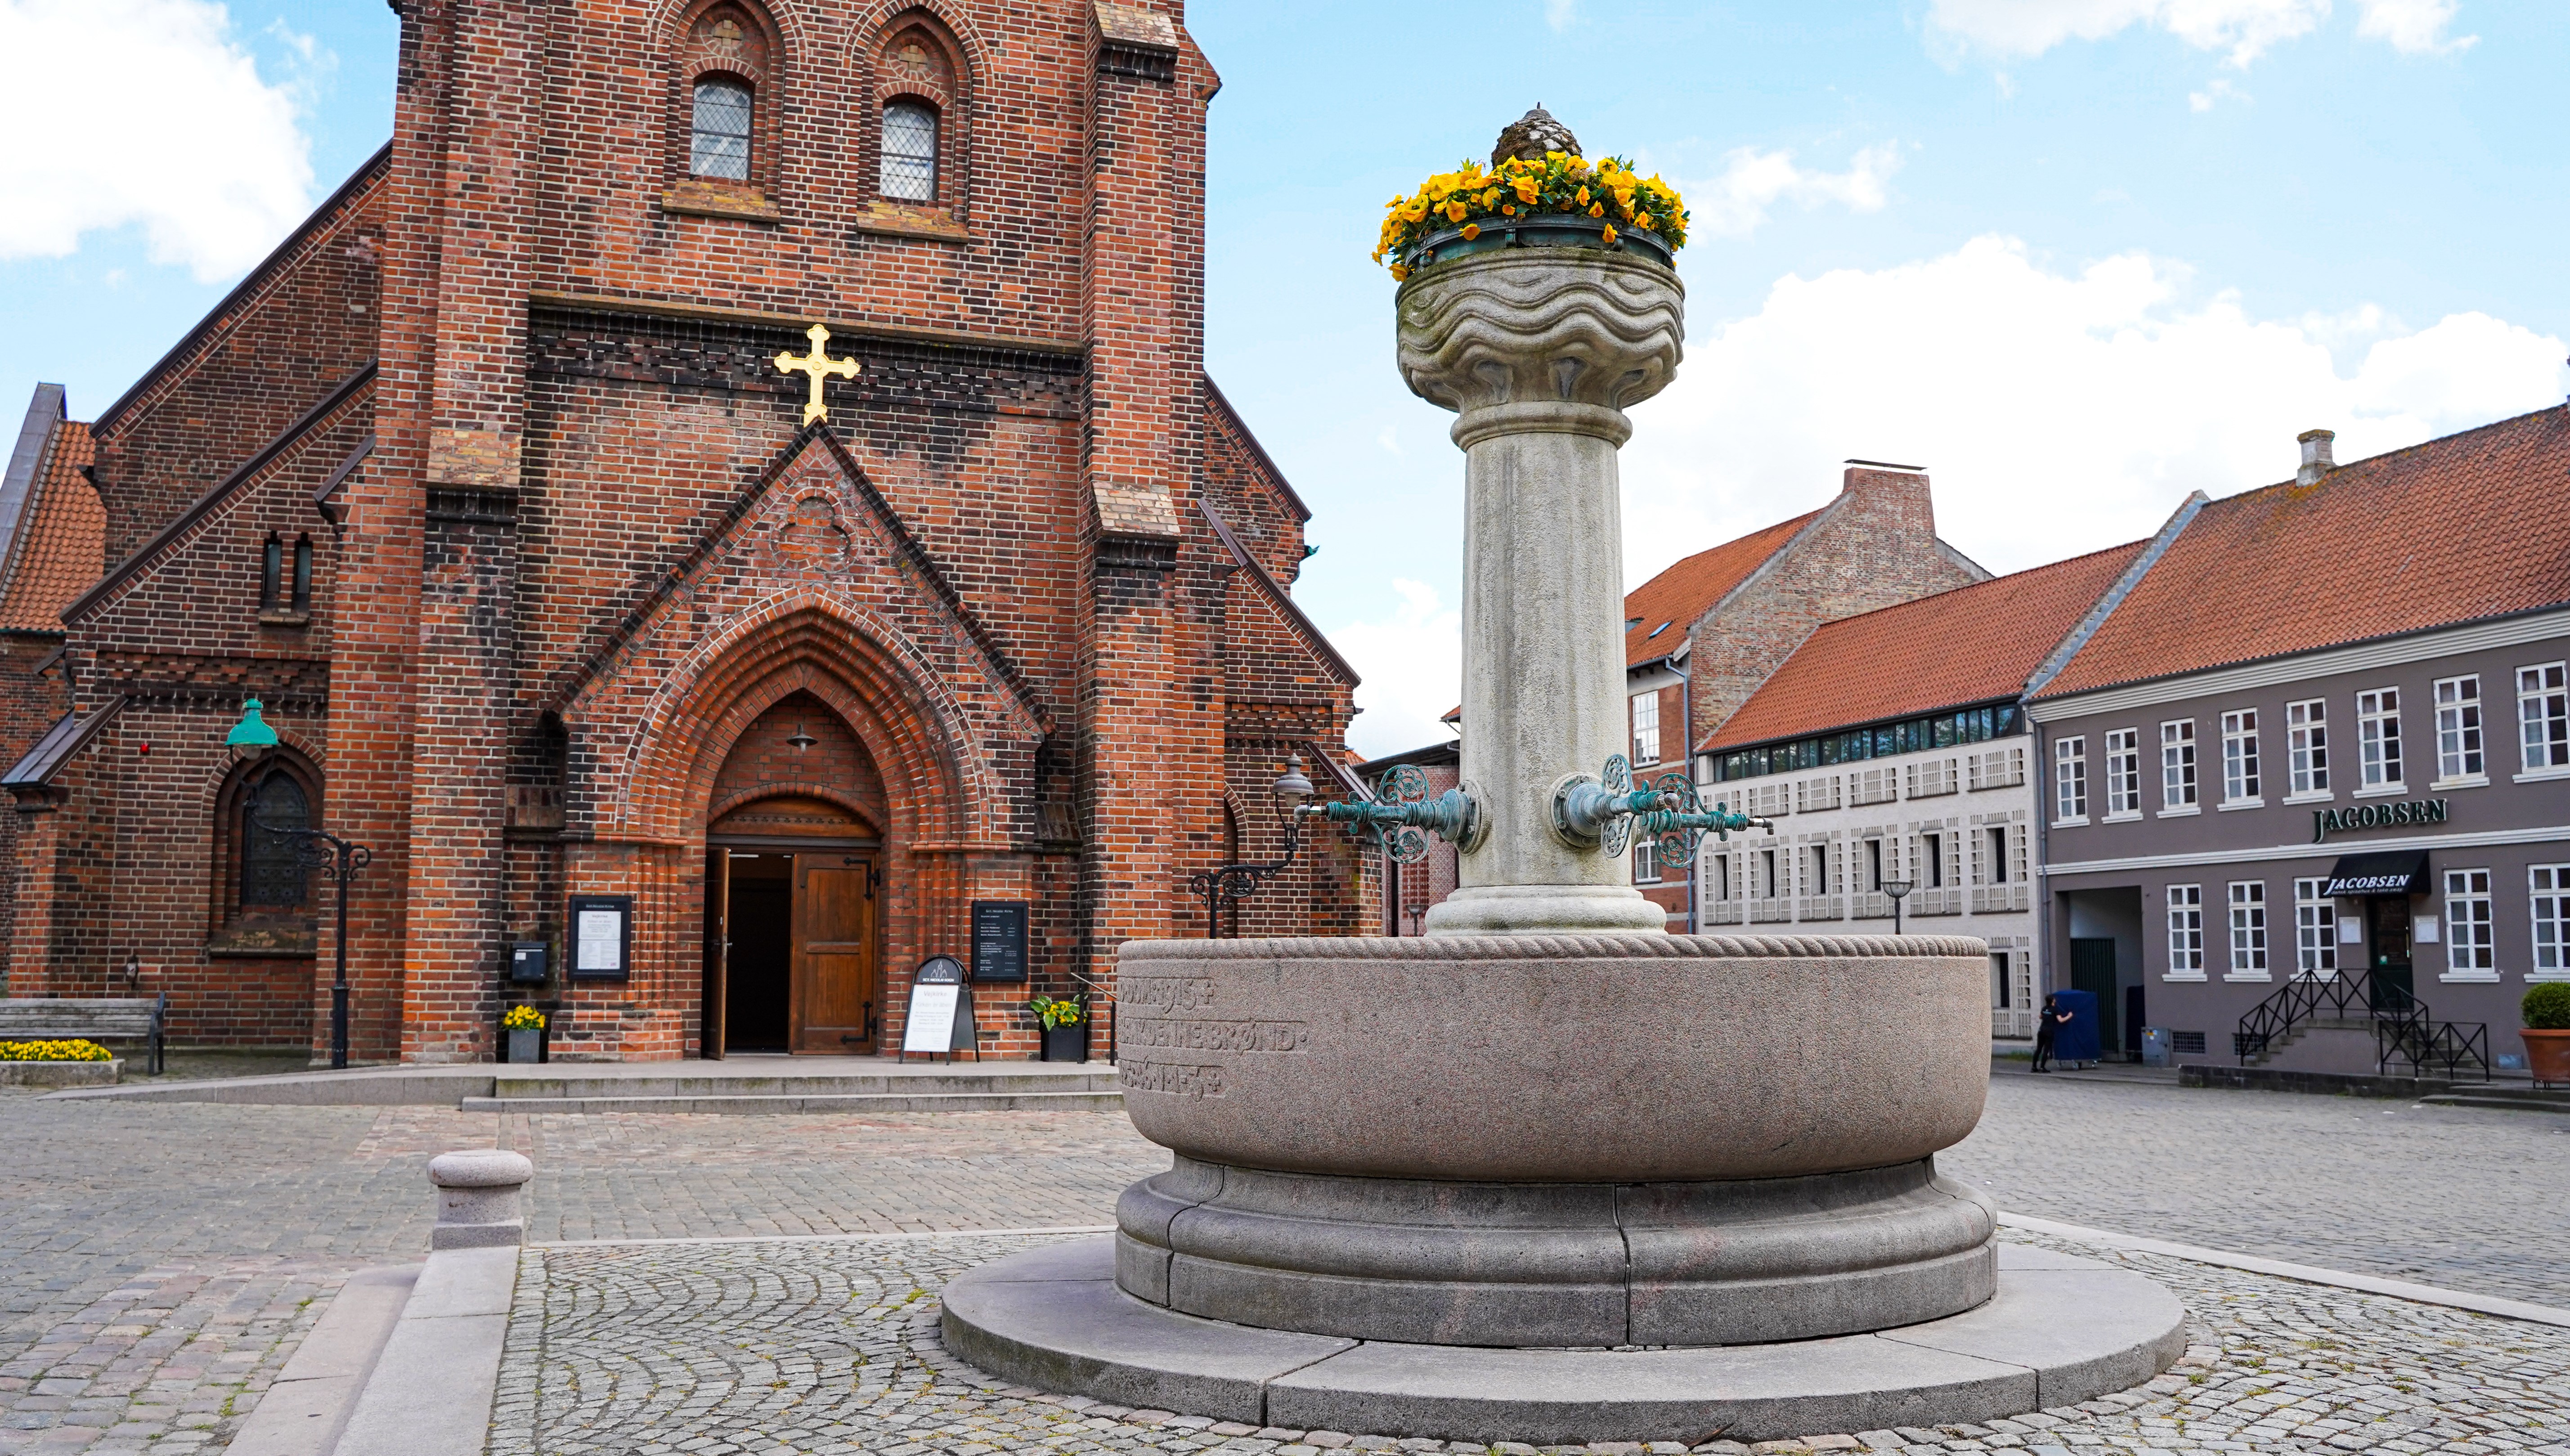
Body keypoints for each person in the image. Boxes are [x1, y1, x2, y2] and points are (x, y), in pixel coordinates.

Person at [2031, 994, 2069, 1073]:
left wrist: (2046, 1016)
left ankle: (2034, 1067)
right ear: (2052, 1001)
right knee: (2046, 1050)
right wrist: (2069, 1016)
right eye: (2054, 999)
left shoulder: (2044, 1008)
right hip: (2049, 1031)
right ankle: (2042, 1068)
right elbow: (2061, 1020)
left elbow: (2040, 1017)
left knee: (2039, 1049)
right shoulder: (2055, 1009)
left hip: (2041, 1031)